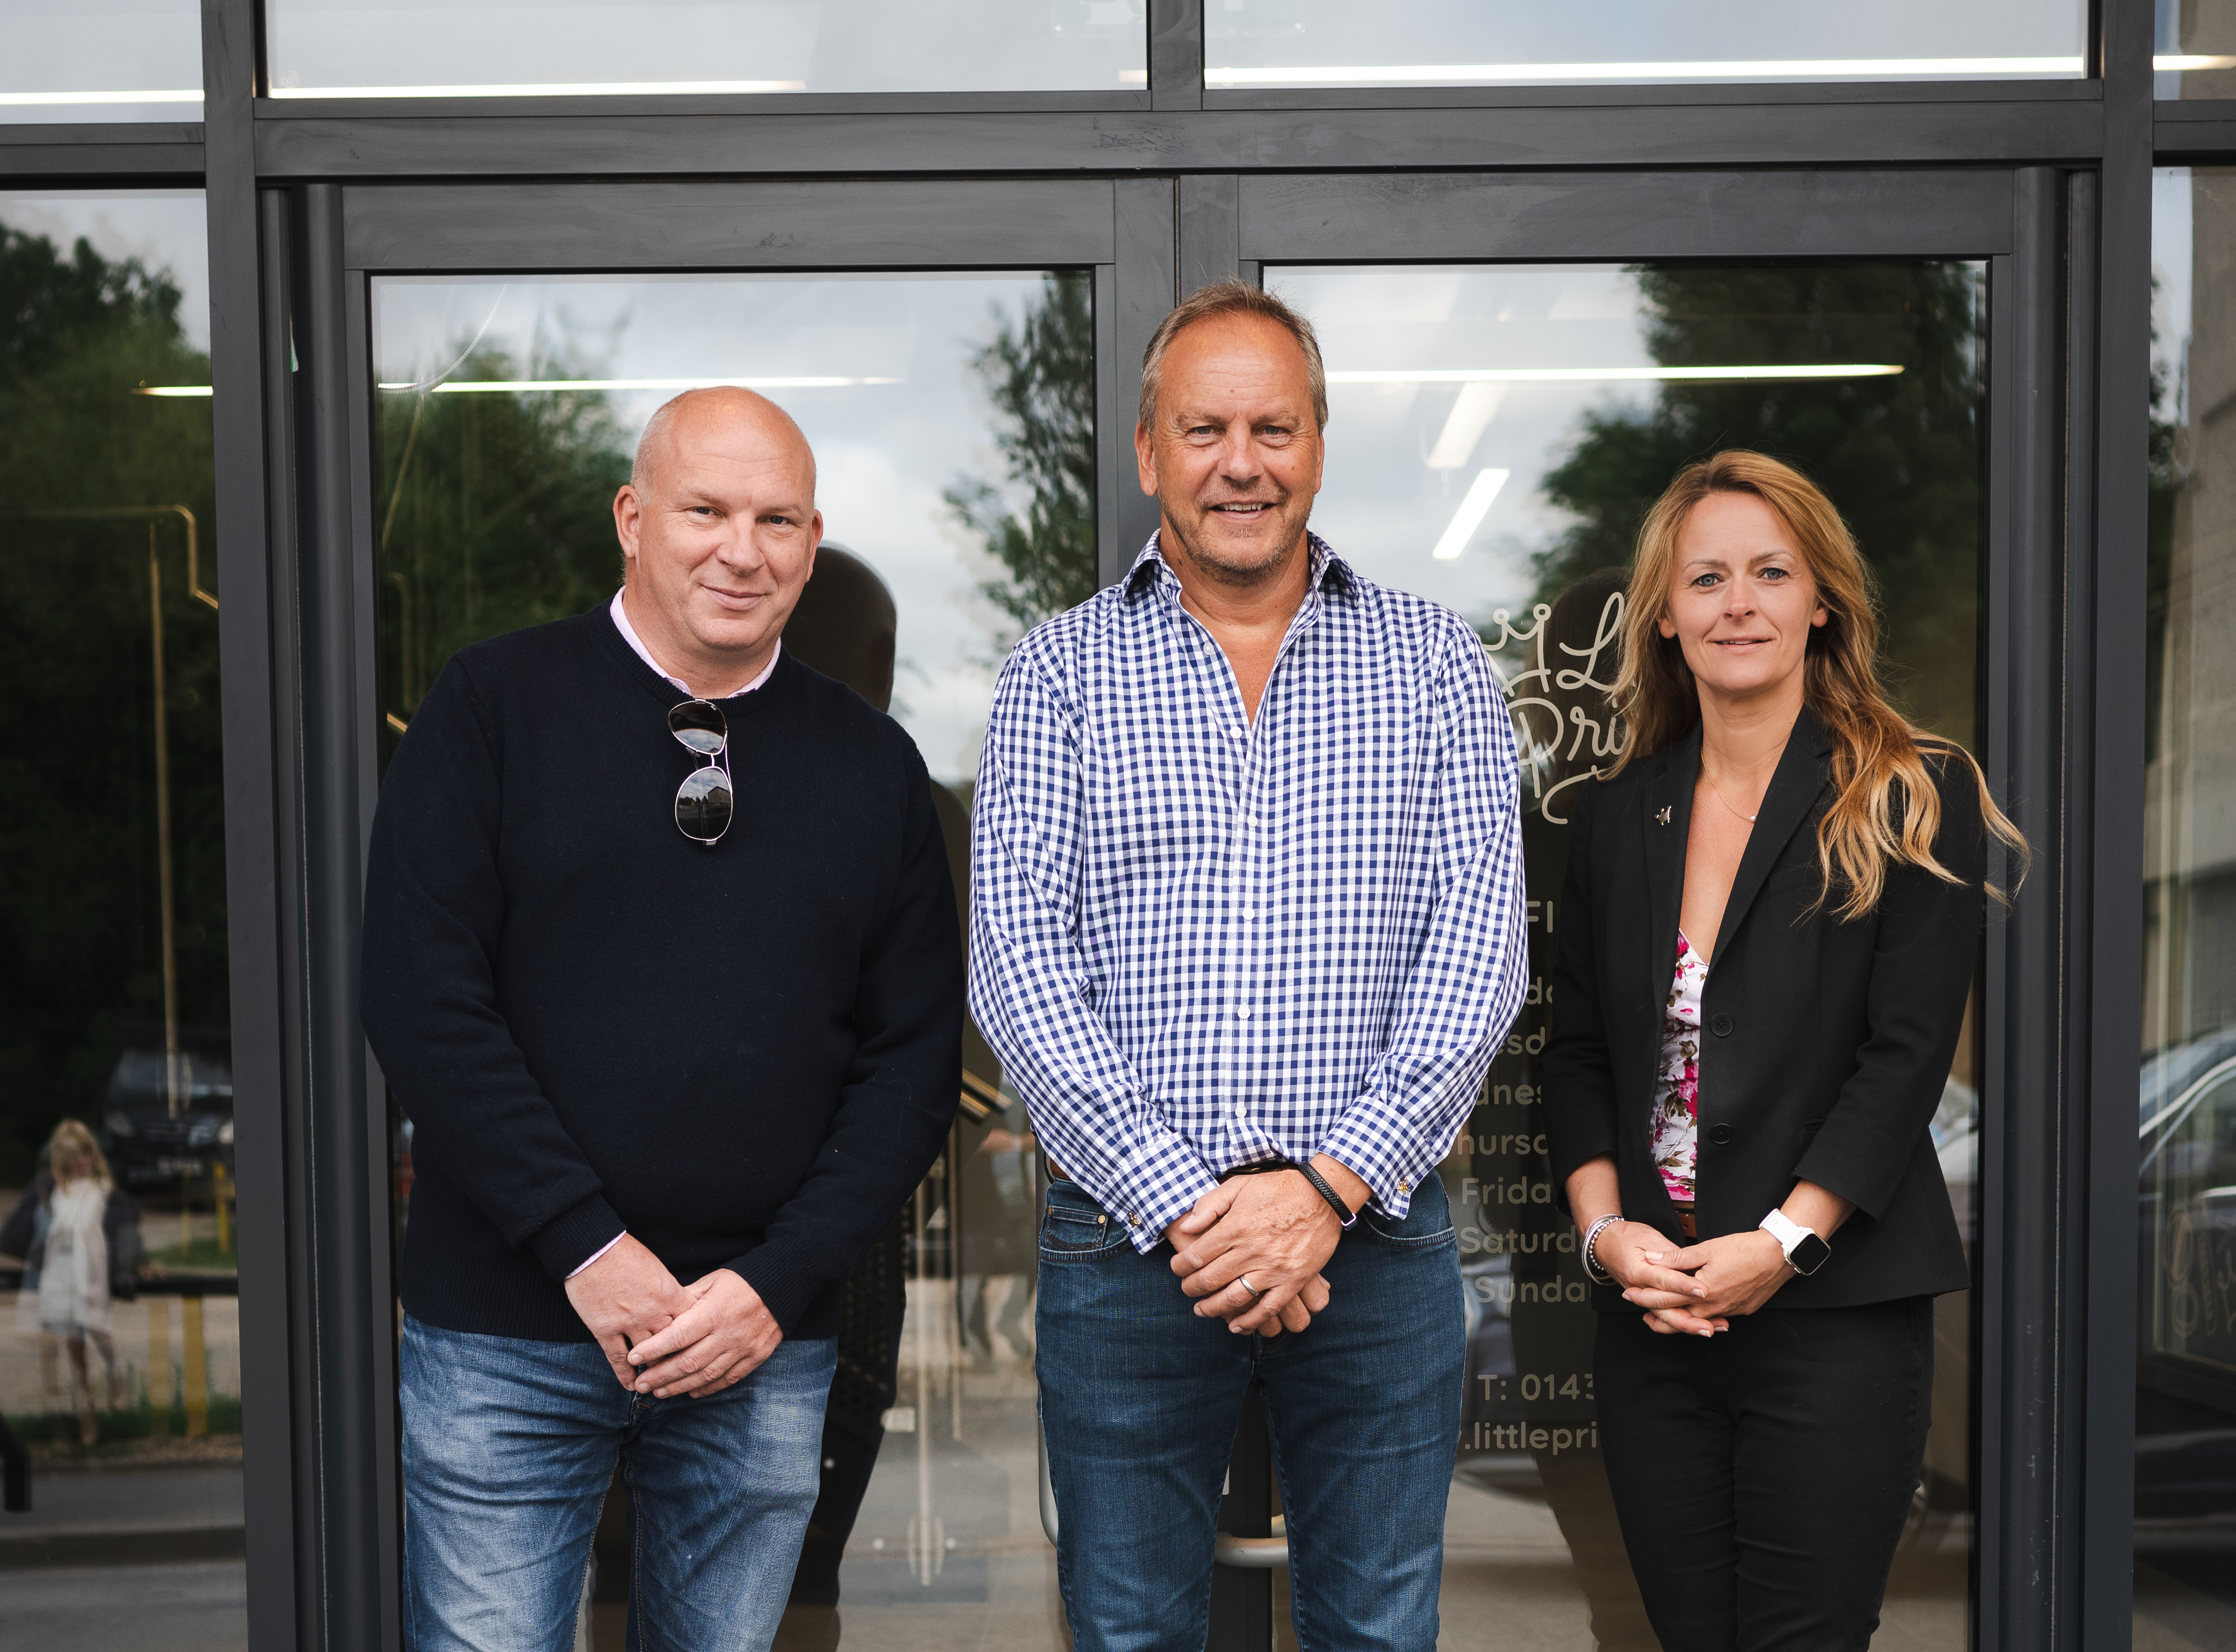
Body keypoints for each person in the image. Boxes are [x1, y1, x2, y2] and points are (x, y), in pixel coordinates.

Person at [968, 280, 1527, 1650]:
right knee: (1127, 1631)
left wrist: (1326, 1188)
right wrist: (1194, 1211)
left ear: (1319, 445)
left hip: (1377, 1239)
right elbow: (1017, 968)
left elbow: (1480, 956)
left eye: (1273, 427)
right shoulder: (1060, 675)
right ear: (1151, 452)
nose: (1241, 462)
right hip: (1126, 1243)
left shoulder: (1435, 664)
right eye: (1205, 428)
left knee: (1381, 1630)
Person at [361, 387, 962, 1652]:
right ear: (634, 518)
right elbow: (423, 1000)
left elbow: (911, 1067)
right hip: (509, 1338)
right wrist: (584, 1244)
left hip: (759, 1346)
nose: (742, 549)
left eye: (777, 519)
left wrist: (774, 1283)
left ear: (811, 539)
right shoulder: (491, 711)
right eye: (707, 510)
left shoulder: (873, 771)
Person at [1542, 450, 2026, 1652]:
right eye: (1706, 578)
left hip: (1834, 1313)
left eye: (1770, 571)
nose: (1738, 602)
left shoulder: (1913, 789)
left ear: (1822, 601)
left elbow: (1904, 1060)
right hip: (1655, 1318)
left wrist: (1783, 1240)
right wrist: (1607, 1237)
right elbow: (1580, 1053)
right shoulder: (1616, 810)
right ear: (1665, 613)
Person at [1, 1119, 143, 1445]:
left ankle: (115, 1373)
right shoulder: (55, 1192)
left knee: (100, 1332)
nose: (78, 1164)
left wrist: (139, 1263)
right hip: (59, 1276)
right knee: (72, 1348)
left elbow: (125, 1232)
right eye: (71, 1159)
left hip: (90, 1274)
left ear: (92, 1155)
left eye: (83, 1155)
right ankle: (86, 1414)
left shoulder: (103, 1190)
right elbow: (34, 1233)